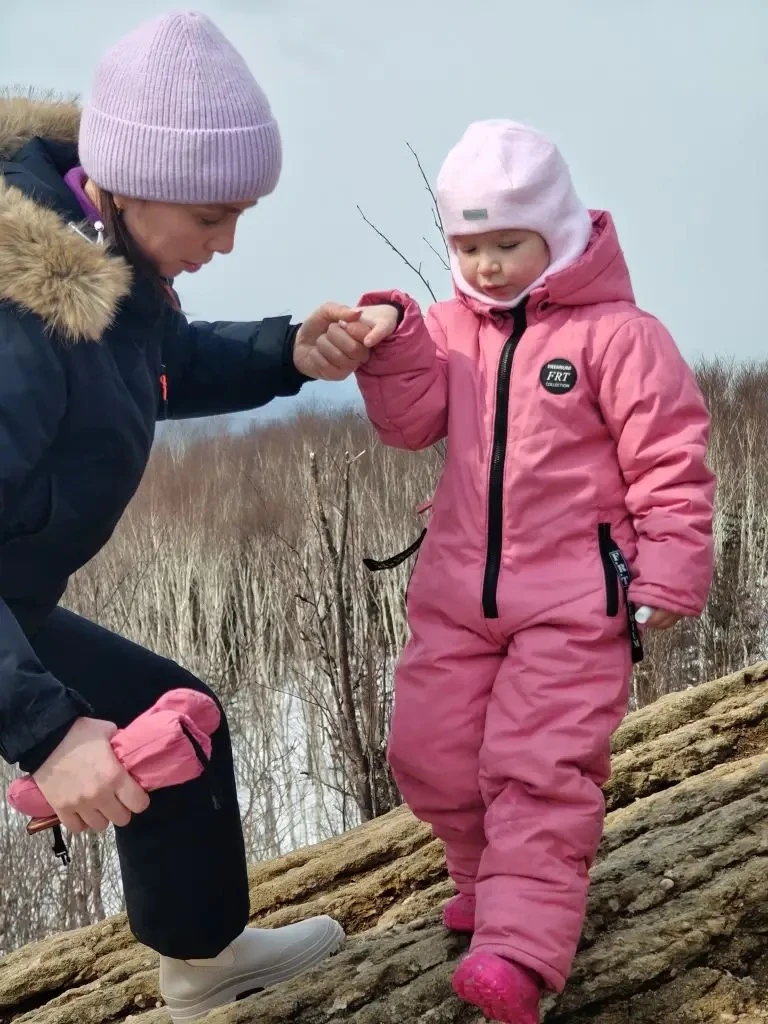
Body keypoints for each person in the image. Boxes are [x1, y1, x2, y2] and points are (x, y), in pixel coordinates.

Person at [0, 11, 371, 1023]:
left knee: (174, 715)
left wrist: (288, 351)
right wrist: (47, 733)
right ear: (130, 181)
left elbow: (159, 362)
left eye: (239, 214)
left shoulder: (106, 267)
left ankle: (204, 962)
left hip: (13, 603)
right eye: (212, 216)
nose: (228, 241)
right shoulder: (21, 316)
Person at [342, 120, 716, 1022]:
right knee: (428, 753)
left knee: (539, 767)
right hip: (457, 594)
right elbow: (407, 424)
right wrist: (392, 336)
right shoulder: (449, 331)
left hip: (575, 600)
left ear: (558, 230)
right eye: (469, 247)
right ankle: (483, 882)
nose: (487, 265)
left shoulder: (620, 336)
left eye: (508, 243)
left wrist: (671, 567)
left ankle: (519, 951)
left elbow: (671, 459)